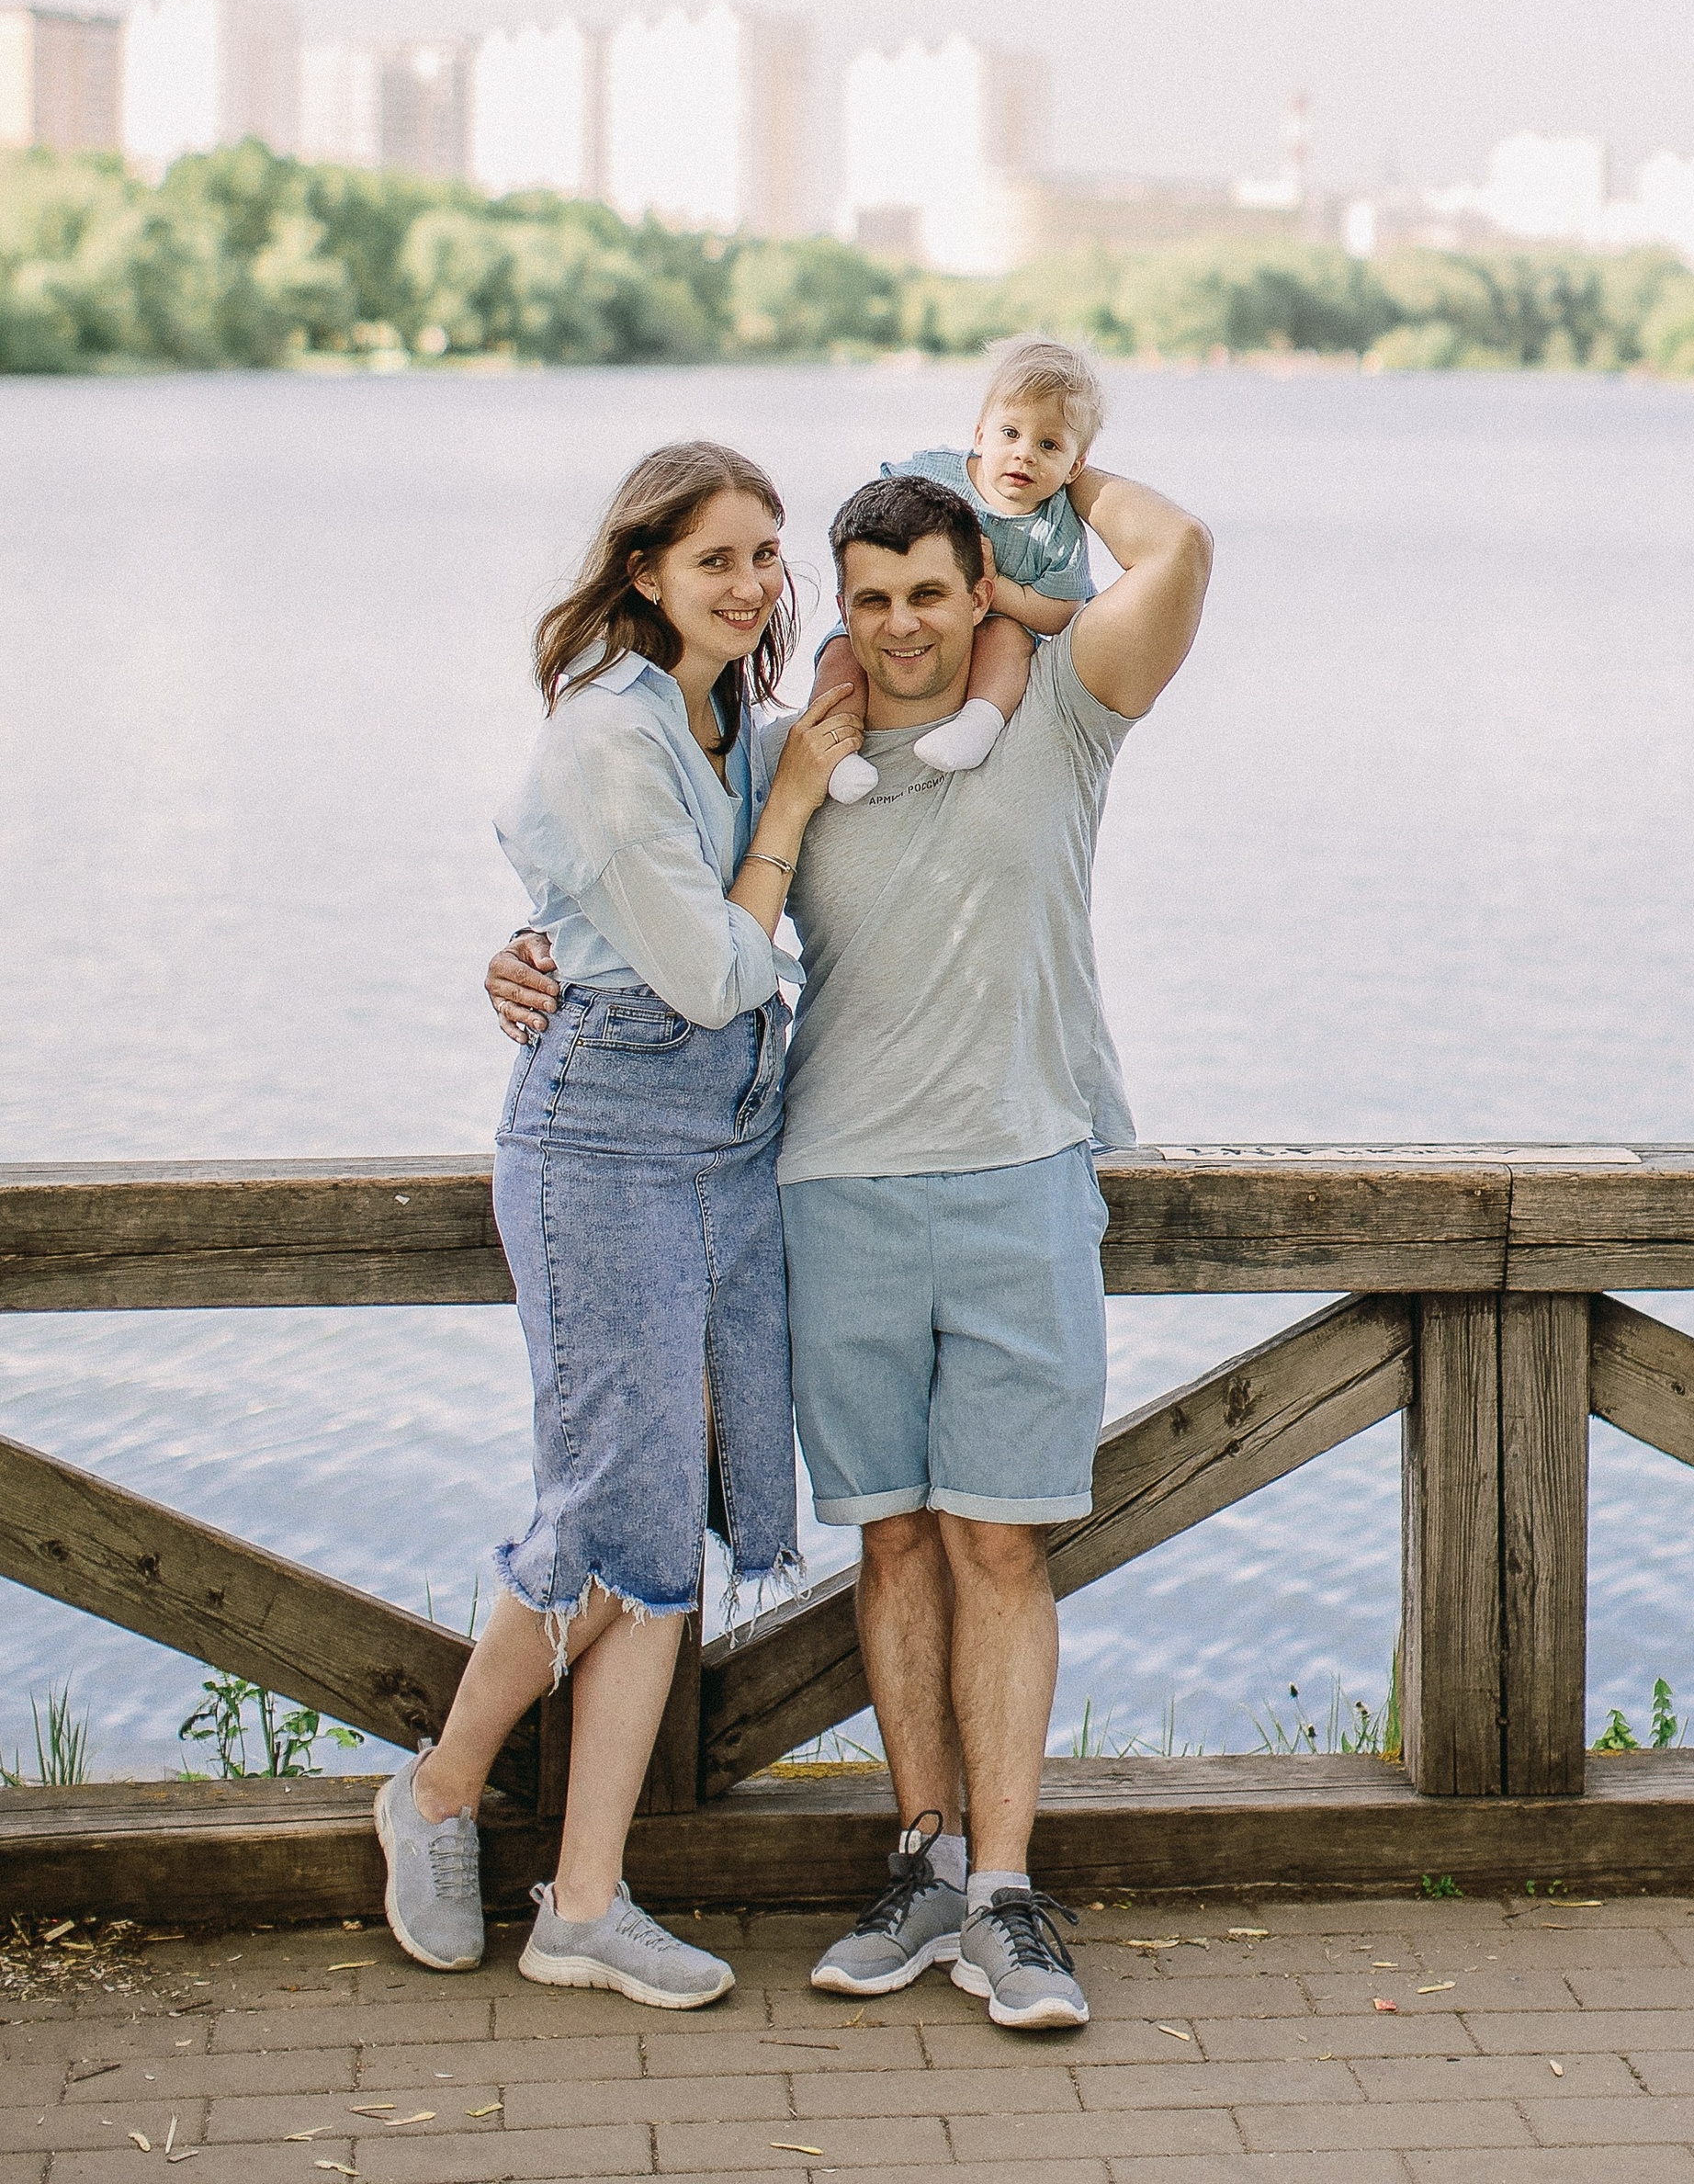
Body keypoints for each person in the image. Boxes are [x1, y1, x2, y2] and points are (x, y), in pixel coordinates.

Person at [489, 445, 1212, 2036]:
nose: (901, 628)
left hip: (1025, 1178)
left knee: (1001, 1542)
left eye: (932, 596)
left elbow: (1184, 552)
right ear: (838, 606)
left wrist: (1038, 464)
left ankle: (1009, 1901)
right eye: (870, 597)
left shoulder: (1064, 712)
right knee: (893, 1539)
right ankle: (924, 1863)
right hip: (830, 1191)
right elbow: (642, 885)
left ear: (980, 595)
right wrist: (528, 953)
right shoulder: (787, 754)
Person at [384, 442, 864, 2008]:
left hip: (727, 1148)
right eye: (718, 557)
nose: (753, 584)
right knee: (613, 1515)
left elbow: (958, 626)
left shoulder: (726, 720)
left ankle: (584, 1904)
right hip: (603, 1142)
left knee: (661, 1531)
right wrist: (793, 805)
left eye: (768, 555)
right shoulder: (610, 733)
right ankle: (445, 1792)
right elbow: (714, 973)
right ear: (643, 569)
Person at [811, 335, 1107, 801]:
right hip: (907, 600)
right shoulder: (938, 472)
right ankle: (835, 750)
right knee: (841, 651)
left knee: (1009, 640)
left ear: (1076, 465)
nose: (1024, 454)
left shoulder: (1057, 526)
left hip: (995, 623)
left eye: (1049, 445)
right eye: (1010, 433)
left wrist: (994, 587)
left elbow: (1063, 612)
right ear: (980, 435)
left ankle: (977, 725)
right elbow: (875, 516)